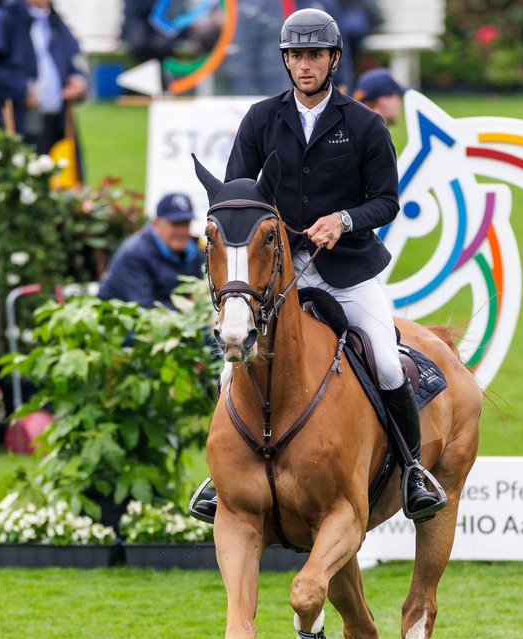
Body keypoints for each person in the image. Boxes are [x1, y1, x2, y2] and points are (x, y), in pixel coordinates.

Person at [189, 8, 447, 524]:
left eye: (314, 56)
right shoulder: (262, 119)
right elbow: (239, 196)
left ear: (333, 60)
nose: (304, 65)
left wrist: (346, 220)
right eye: (296, 56)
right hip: (279, 270)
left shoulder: (365, 124)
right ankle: (220, 480)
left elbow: (386, 201)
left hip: (348, 266)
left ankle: (414, 469)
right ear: (286, 61)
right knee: (231, 365)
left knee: (387, 360)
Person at [0, 0, 87, 178]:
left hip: (54, 123)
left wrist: (78, 81)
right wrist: (23, 89)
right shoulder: (2, 19)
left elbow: (68, 62)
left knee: (56, 182)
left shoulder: (53, 21)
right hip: (13, 122)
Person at [97, 193, 204, 309]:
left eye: (186, 223)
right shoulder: (135, 253)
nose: (182, 231)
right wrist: (191, 307)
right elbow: (144, 308)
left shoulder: (194, 252)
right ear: (156, 224)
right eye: (176, 224)